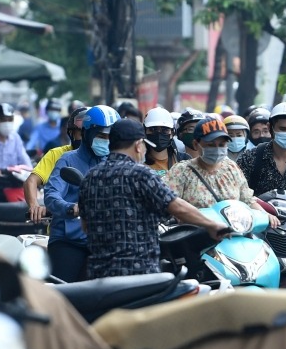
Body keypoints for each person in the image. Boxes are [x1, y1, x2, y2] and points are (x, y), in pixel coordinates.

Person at [80, 119, 230, 279]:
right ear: (138, 145)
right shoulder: (140, 174)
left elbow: (85, 226)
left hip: (99, 274)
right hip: (140, 272)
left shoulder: (90, 177)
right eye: (145, 145)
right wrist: (212, 225)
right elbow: (177, 207)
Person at [44, 105, 119, 282]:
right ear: (86, 133)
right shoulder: (68, 159)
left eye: (111, 137)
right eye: (101, 136)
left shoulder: (115, 163)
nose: (106, 141)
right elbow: (51, 194)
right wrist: (71, 208)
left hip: (104, 240)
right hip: (69, 240)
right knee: (62, 290)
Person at [166, 118, 278, 228]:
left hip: (233, 233)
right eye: (210, 145)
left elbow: (247, 200)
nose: (217, 149)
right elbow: (168, 203)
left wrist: (265, 215)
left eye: (221, 145)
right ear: (196, 144)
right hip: (195, 235)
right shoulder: (181, 171)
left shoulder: (231, 168)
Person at [25, 107, 87, 223]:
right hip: (62, 224)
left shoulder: (106, 158)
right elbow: (32, 181)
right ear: (71, 133)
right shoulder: (57, 154)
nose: (86, 137)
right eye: (81, 132)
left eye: (91, 133)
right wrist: (35, 206)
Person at [141, 107, 187, 177]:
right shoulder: (137, 161)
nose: (159, 134)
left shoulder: (184, 159)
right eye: (153, 129)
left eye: (165, 130)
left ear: (172, 133)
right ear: (144, 132)